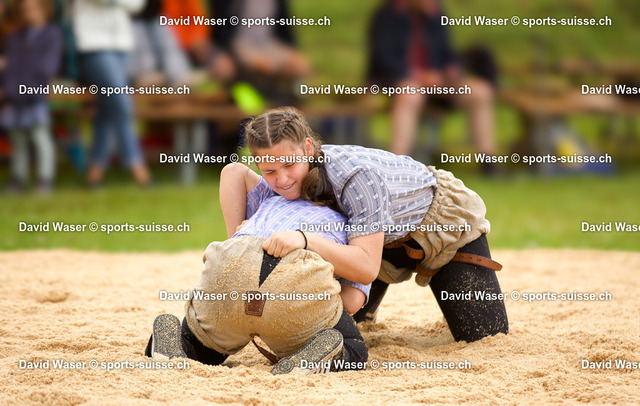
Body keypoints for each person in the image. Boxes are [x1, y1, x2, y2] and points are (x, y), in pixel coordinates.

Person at [221, 107, 508, 343]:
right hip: (374, 245)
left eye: (289, 165)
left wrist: (305, 239)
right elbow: (234, 174)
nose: (282, 179)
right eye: (269, 170)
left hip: (440, 226)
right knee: (328, 326)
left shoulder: (355, 177)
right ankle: (368, 303)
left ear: (308, 149)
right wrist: (238, 245)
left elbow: (366, 268)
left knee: (486, 337)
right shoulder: (287, 180)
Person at [146, 193, 369, 374]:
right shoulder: (352, 226)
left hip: (232, 264)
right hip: (290, 287)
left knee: (203, 346)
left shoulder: (270, 202)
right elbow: (352, 301)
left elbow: (234, 171)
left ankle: (178, 342)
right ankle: (315, 355)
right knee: (353, 346)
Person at [368, 0, 498, 172]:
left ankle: (488, 161)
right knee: (410, 95)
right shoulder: (388, 15)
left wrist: (452, 69)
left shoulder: (435, 14)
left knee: (480, 91)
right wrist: (420, 77)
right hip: (399, 82)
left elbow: (447, 52)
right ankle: (396, 166)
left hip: (439, 83)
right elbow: (383, 59)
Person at [72, 0, 151, 187]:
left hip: (121, 44)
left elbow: (137, 5)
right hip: (92, 44)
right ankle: (136, 164)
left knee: (107, 109)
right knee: (121, 103)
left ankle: (95, 172)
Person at [1, 0, 62, 193]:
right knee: (18, 139)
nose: (30, 14)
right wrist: (7, 88)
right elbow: (10, 67)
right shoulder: (15, 37)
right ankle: (18, 178)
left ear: (45, 10)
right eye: (26, 10)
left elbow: (47, 68)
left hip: (36, 95)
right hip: (14, 96)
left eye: (34, 9)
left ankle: (45, 178)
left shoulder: (51, 35)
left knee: (40, 136)